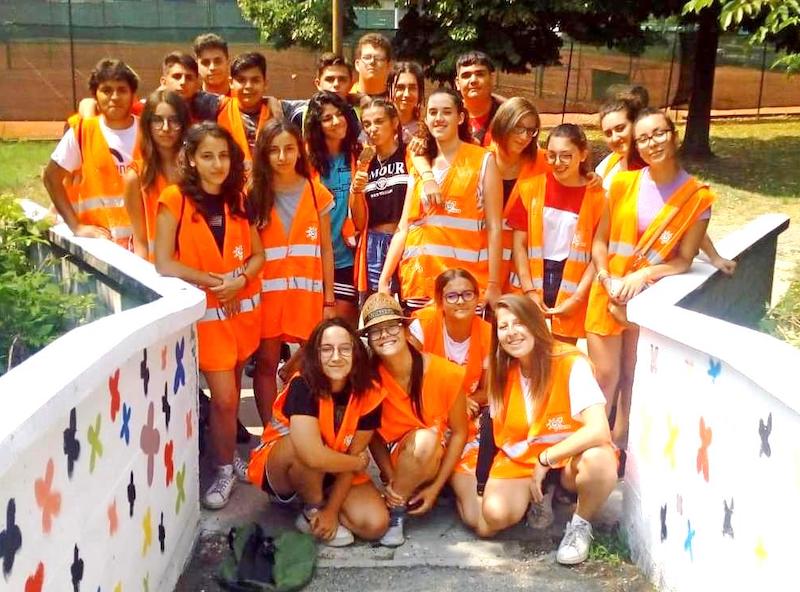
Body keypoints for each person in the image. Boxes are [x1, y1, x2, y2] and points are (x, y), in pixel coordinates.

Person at [451, 295, 617, 566]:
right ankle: (539, 495)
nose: (511, 333)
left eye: (519, 323)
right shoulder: (502, 369)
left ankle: (579, 526)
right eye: (503, 327)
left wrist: (546, 459)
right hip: (521, 459)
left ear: (536, 324)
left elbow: (599, 430)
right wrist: (479, 482)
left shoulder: (570, 362)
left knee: (600, 460)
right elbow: (492, 429)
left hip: (565, 459)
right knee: (491, 519)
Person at [586, 108, 715, 447]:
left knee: (633, 375)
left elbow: (684, 261)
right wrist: (604, 277)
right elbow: (599, 241)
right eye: (643, 138)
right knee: (604, 376)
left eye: (659, 133)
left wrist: (644, 274)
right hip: (608, 289)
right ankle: (590, 449)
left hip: (647, 298)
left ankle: (620, 444)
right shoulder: (623, 184)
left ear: (673, 134)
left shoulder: (697, 198)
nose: (652, 143)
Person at [154, 122, 264, 509]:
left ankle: (227, 457)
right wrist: (218, 282)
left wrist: (240, 280)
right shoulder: (175, 199)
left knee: (230, 400)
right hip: (206, 319)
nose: (217, 164)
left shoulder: (239, 198)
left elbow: (258, 255)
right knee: (223, 400)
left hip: (239, 315)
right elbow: (164, 263)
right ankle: (222, 469)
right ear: (191, 159)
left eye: (223, 156)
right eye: (207, 156)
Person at [247, 318, 389, 547]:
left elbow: (356, 452)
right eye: (327, 349)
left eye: (345, 349)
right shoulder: (302, 384)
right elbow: (312, 455)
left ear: (356, 354)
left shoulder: (370, 392)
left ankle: (326, 509)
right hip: (284, 469)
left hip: (334, 468)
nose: (336, 357)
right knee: (301, 446)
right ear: (315, 354)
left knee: (375, 524)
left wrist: (333, 511)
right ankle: (312, 508)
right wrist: (355, 463)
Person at [378, 88, 503, 311]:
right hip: (420, 284)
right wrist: (384, 279)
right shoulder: (419, 166)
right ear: (425, 118)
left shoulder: (482, 161)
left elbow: (494, 227)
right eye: (433, 112)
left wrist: (494, 284)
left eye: (446, 112)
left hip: (464, 288)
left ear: (460, 117)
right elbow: (403, 228)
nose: (439, 118)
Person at [362, 293, 468, 547]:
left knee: (426, 439)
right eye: (376, 331)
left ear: (405, 329)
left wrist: (435, 488)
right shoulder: (368, 379)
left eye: (390, 327)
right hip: (399, 458)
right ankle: (398, 502)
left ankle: (395, 510)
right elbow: (371, 435)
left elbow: (461, 432)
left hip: (436, 456)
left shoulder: (444, 371)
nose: (384, 335)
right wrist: (389, 479)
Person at [249, 119, 336, 426]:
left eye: (289, 149)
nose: (282, 157)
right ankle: (270, 431)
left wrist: (329, 299)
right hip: (267, 295)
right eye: (274, 150)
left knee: (311, 365)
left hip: (307, 296)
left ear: (300, 151)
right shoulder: (253, 193)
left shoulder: (316, 193)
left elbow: (327, 248)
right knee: (267, 363)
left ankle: (306, 426)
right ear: (264, 154)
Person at [596, 91, 735, 275]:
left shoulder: (654, 166)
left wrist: (714, 256)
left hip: (642, 277)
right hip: (607, 268)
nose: (615, 137)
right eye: (608, 133)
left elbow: (679, 214)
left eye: (620, 128)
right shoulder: (611, 164)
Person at [507, 124, 605, 343]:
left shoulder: (598, 197)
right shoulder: (530, 188)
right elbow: (519, 245)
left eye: (566, 156)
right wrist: (529, 290)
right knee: (526, 348)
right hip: (531, 280)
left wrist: (578, 298)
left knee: (562, 353)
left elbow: (597, 254)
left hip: (571, 286)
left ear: (583, 155)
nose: (557, 163)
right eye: (551, 156)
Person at [43, 58, 140, 246]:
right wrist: (76, 227)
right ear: (95, 95)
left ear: (132, 94)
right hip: (100, 245)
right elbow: (50, 178)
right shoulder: (82, 132)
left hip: (140, 247)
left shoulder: (147, 132)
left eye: (122, 90)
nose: (114, 96)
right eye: (106, 90)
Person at [305, 91, 362, 324]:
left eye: (339, 114)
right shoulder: (306, 160)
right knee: (315, 333)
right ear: (317, 125)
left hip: (348, 257)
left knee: (343, 329)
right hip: (315, 259)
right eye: (327, 118)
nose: (336, 121)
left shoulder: (359, 154)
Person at [349, 97, 411, 298]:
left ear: (394, 123)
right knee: (377, 309)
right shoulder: (365, 163)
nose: (372, 128)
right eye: (367, 124)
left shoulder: (409, 154)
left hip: (406, 241)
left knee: (406, 305)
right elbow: (359, 222)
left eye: (379, 122)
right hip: (373, 245)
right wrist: (356, 191)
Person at [409, 269, 491, 417]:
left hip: (468, 413)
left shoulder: (488, 333)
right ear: (440, 301)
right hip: (424, 408)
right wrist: (455, 402)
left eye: (468, 294)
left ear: (477, 298)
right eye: (452, 296)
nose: (461, 301)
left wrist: (462, 403)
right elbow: (408, 379)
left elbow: (488, 390)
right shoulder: (423, 325)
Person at [487, 97, 549, 291]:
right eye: (518, 128)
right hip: (484, 271)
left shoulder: (545, 163)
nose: (524, 137)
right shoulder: (479, 160)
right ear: (503, 123)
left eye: (530, 131)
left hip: (522, 277)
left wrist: (591, 178)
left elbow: (575, 175)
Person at [124, 90, 189, 261]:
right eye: (157, 120)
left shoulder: (194, 170)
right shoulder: (136, 176)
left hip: (195, 271)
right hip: (157, 273)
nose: (166, 128)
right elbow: (140, 241)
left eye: (174, 120)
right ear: (147, 125)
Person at [217, 52, 276, 172]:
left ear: (265, 84)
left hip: (269, 187)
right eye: (241, 80)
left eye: (255, 80)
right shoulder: (217, 108)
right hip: (230, 187)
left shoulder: (279, 112)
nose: (248, 86)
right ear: (231, 83)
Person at [284, 53, 361, 136]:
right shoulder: (301, 116)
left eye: (342, 79)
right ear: (318, 84)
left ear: (351, 84)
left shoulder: (359, 115)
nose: (336, 84)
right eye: (329, 79)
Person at [454, 51, 503, 147]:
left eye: (480, 74)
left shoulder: (509, 116)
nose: (473, 80)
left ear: (492, 78)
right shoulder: (448, 114)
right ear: (457, 83)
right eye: (466, 76)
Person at [388, 61, 424, 143]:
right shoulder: (376, 126)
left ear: (420, 92)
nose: (406, 94)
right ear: (389, 90)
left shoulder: (427, 133)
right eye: (400, 87)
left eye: (412, 88)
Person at [352, 33, 392, 98]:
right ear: (357, 64)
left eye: (378, 58)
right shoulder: (344, 100)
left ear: (389, 66)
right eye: (367, 57)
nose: (372, 62)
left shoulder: (397, 102)